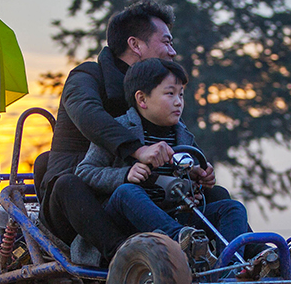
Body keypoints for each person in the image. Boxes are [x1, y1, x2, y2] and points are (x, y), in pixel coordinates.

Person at [39, 0, 213, 261]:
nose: (173, 52)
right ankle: (124, 258)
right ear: (135, 45)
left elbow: (175, 136)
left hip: (141, 197)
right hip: (80, 207)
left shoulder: (158, 95)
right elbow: (88, 114)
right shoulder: (86, 76)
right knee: (68, 184)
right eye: (166, 42)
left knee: (216, 194)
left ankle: (249, 255)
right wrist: (137, 150)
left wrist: (197, 169)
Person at [74, 58, 251, 259]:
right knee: (127, 192)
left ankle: (229, 271)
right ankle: (183, 243)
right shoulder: (119, 129)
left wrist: (201, 178)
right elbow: (84, 172)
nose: (178, 102)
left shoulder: (183, 135)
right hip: (125, 222)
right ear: (142, 99)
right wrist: (125, 174)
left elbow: (192, 181)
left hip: (172, 216)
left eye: (181, 95)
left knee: (232, 208)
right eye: (170, 94)